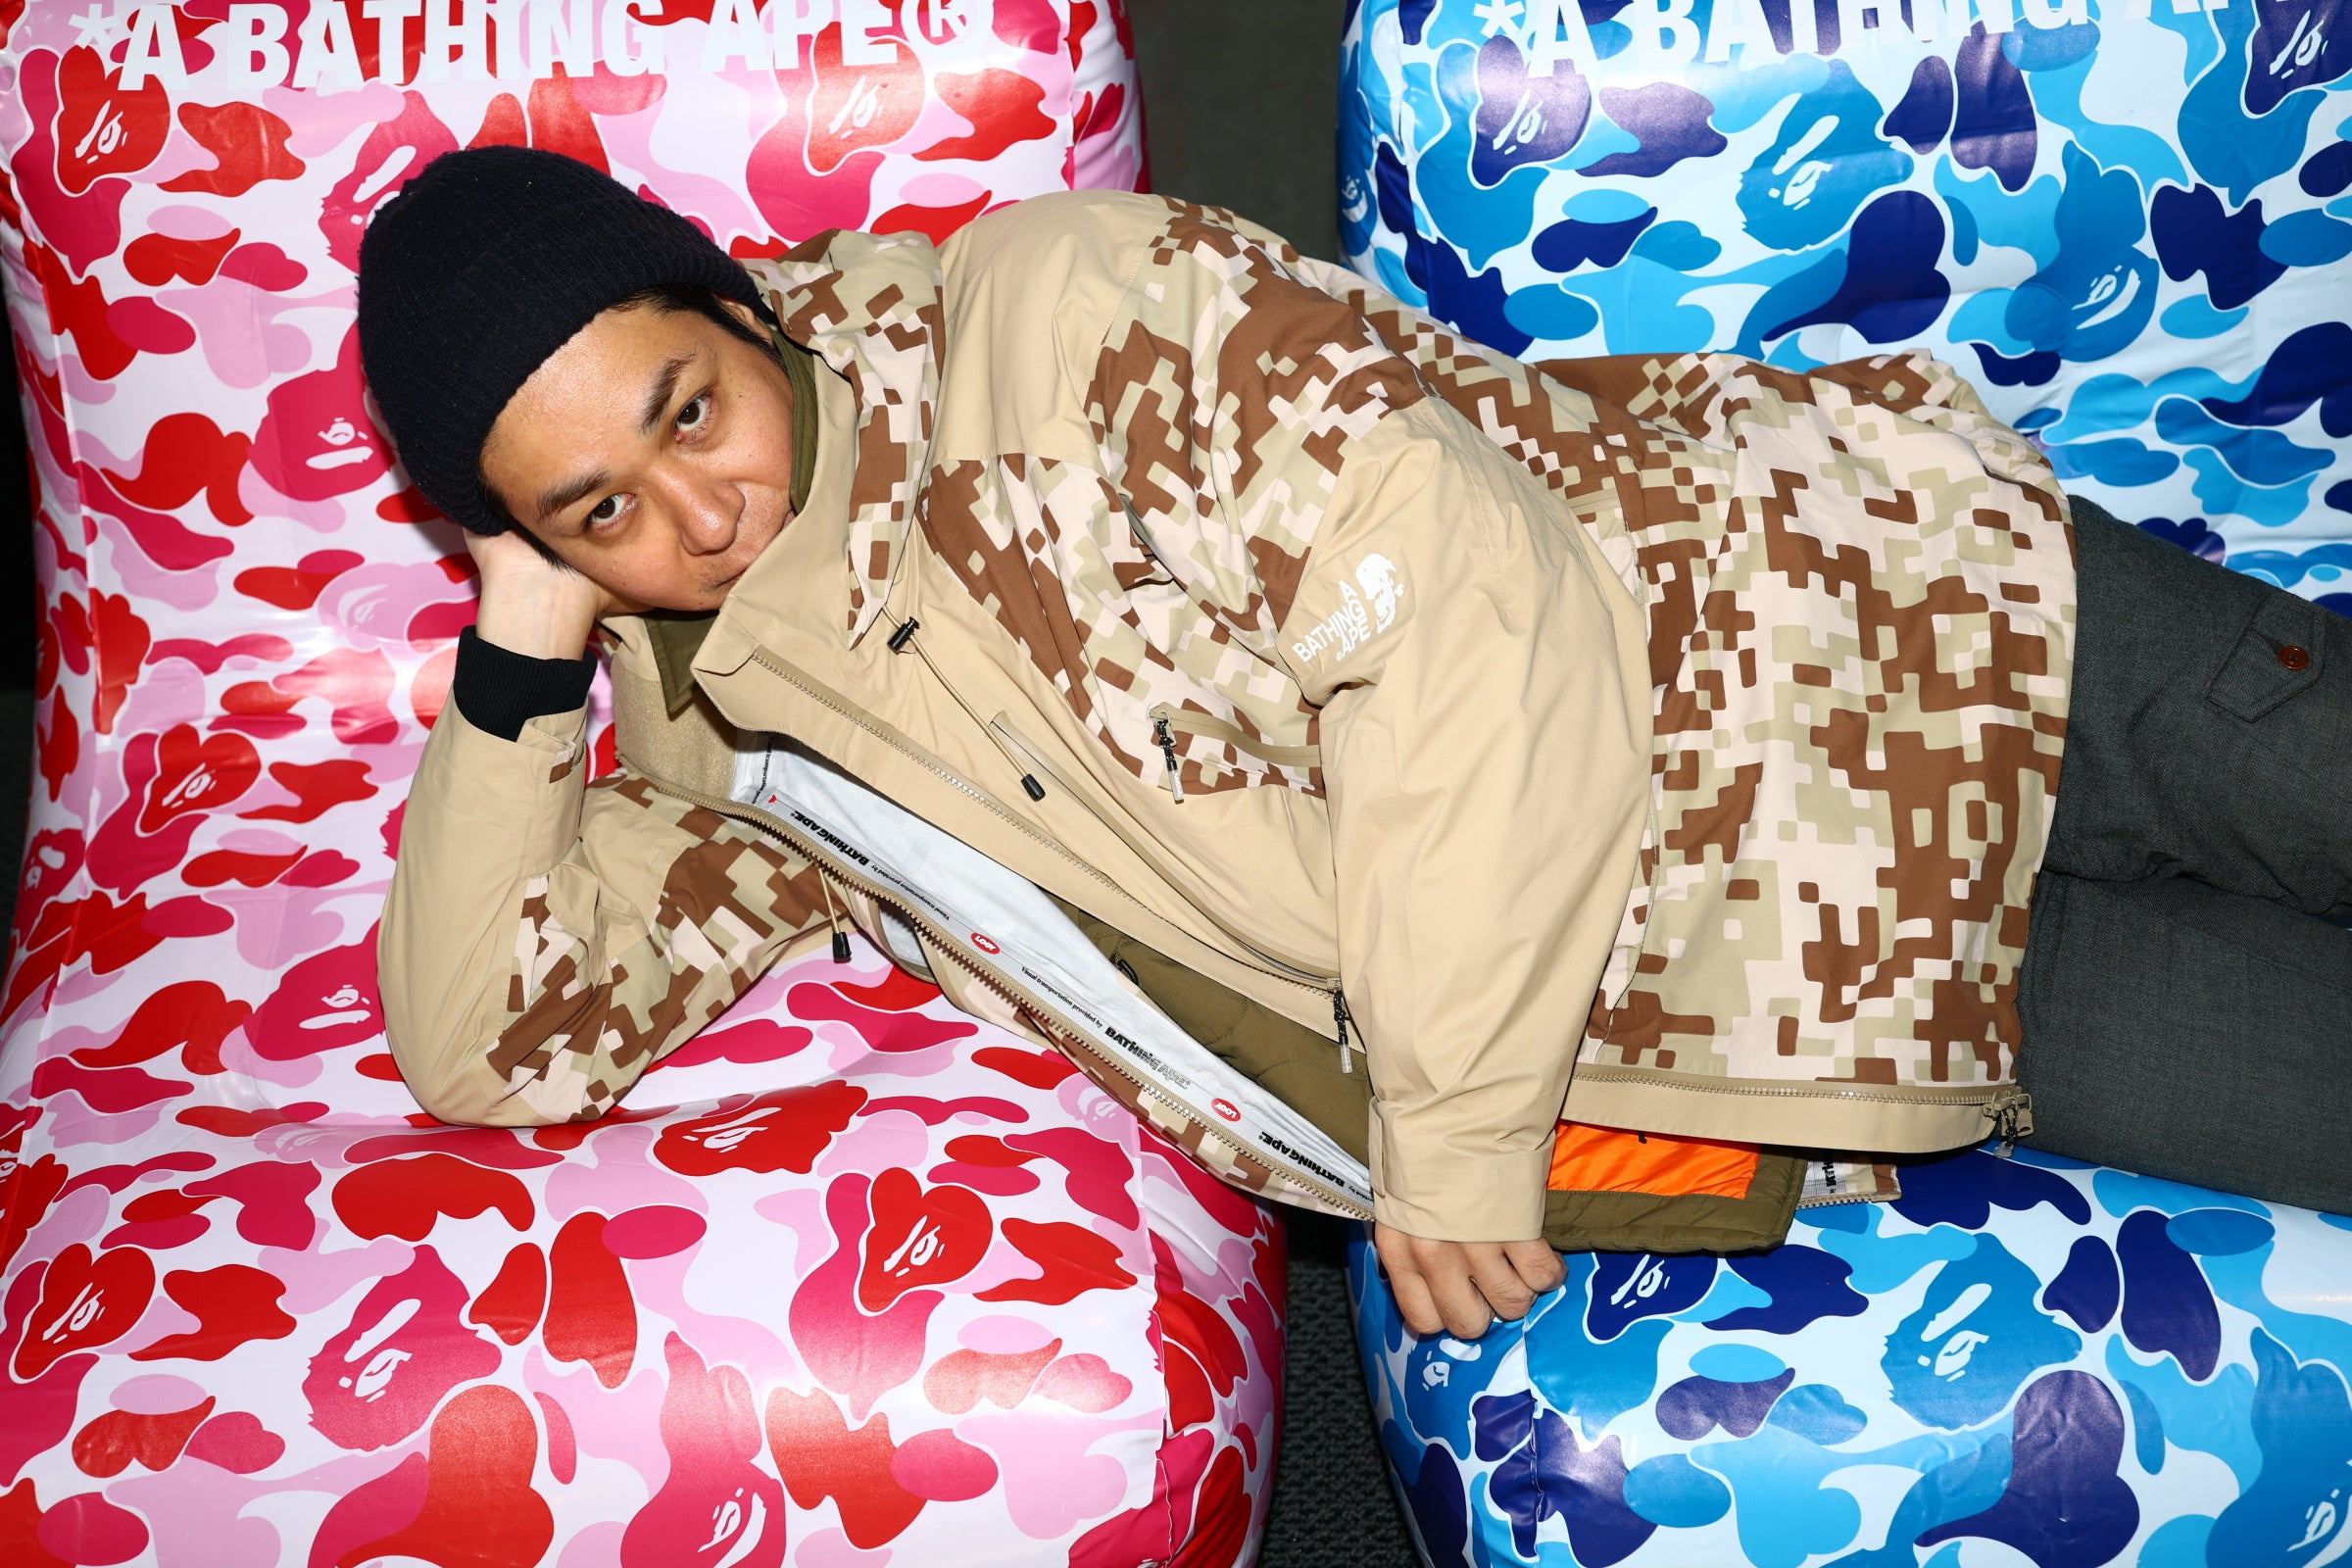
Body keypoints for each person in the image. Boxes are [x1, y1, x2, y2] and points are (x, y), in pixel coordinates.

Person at [357, 147, 2352, 1342]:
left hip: (1926, 630)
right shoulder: (739, 739)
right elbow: (492, 1042)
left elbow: (1473, 612)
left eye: (686, 410)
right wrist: (523, 652)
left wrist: (1461, 1137)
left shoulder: (1057, 313)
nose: (698, 513)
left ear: (741, 308)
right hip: (1837, 977)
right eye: (600, 509)